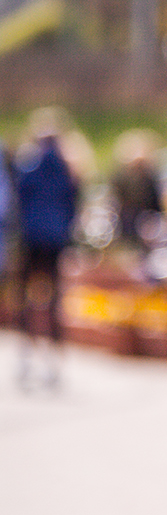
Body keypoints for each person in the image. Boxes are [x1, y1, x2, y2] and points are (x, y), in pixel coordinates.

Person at [14, 109, 79, 387]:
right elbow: (74, 201)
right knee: (54, 300)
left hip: (32, 237)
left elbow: (19, 196)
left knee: (26, 298)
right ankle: (53, 358)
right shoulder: (67, 166)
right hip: (55, 239)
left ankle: (28, 354)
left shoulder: (30, 163)